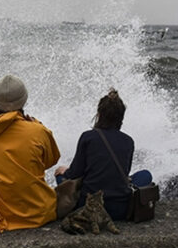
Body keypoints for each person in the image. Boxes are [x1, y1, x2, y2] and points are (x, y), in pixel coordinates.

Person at [0, 75, 60, 232]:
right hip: (40, 213)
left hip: (0, 215)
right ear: (24, 100)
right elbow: (50, 161)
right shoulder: (38, 131)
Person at [54, 89, 152, 220]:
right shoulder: (128, 141)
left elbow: (75, 173)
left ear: (99, 114)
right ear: (121, 117)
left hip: (88, 206)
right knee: (145, 175)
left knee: (61, 176)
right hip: (120, 209)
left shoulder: (88, 137)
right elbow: (125, 171)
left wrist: (63, 171)